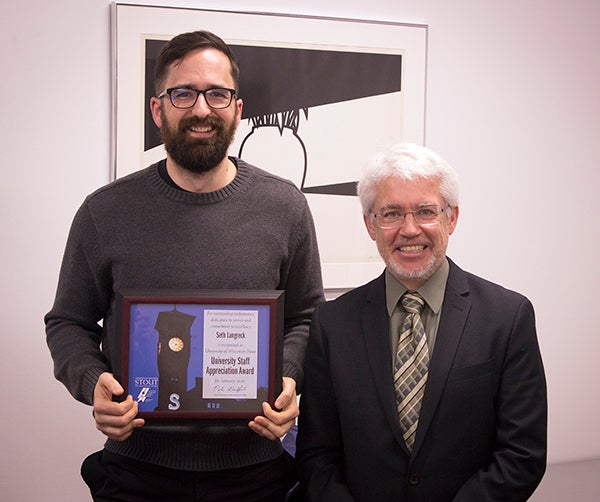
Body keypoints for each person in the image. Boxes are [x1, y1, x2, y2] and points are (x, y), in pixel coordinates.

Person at [45, 30, 324, 501]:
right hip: (137, 473)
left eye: (217, 94)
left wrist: (288, 379)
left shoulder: (286, 208)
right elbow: (67, 322)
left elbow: (307, 317)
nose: (201, 109)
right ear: (158, 109)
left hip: (254, 474)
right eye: (183, 93)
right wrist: (94, 384)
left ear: (237, 109)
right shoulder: (104, 212)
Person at [296, 143, 547, 501]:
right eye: (392, 213)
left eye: (426, 211)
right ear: (370, 224)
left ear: (452, 218)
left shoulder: (507, 318)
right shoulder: (331, 324)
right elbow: (316, 456)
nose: (409, 229)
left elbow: (522, 456)